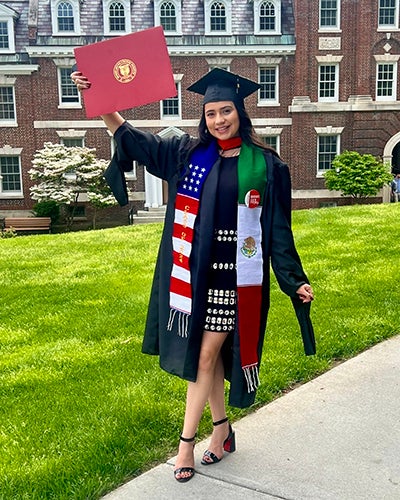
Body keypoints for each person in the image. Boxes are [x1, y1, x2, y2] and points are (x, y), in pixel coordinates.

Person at [71, 68, 316, 483]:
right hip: (194, 276)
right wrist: (103, 103)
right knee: (213, 360)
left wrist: (293, 280)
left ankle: (185, 442)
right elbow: (136, 141)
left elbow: (278, 231)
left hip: (237, 280)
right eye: (210, 113)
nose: (218, 120)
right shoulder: (188, 154)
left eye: (226, 111)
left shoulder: (268, 166)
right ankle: (222, 432)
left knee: (203, 355)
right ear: (202, 117)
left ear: (240, 111)